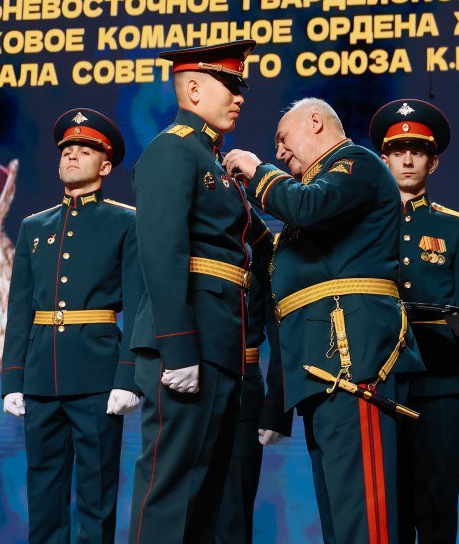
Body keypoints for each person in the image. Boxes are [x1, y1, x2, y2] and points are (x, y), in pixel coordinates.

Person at [225, 97, 423, 544]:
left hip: (356, 364)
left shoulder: (355, 165)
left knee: (364, 517)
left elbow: (305, 206)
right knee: (340, 514)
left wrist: (256, 170)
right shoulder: (317, 194)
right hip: (322, 368)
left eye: (282, 139)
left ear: (315, 121)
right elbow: (283, 265)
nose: (279, 152)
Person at [127, 39, 275, 543]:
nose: (240, 97)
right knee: (170, 491)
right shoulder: (172, 150)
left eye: (241, 87)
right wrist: (177, 346)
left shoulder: (212, 160)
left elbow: (256, 247)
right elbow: (161, 251)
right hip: (189, 343)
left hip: (221, 344)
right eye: (230, 85)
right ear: (192, 89)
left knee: (205, 498)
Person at [1, 108, 144, 544]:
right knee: (43, 490)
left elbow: (138, 304)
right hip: (41, 375)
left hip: (98, 375)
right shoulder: (34, 226)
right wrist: (12, 379)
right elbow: (20, 307)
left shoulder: (126, 221)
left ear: (105, 166)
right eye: (67, 150)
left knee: (96, 494)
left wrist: (128, 377)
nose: (72, 156)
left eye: (84, 150)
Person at [369, 98, 459, 544]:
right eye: (398, 151)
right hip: (379, 380)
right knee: (387, 510)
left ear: (433, 163)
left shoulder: (457, 227)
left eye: (418, 152)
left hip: (439, 383)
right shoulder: (362, 226)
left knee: (436, 510)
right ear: (384, 159)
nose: (408, 160)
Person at [214, 269, 292, 544]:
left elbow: (281, 328)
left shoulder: (260, 255)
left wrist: (277, 401)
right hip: (179, 386)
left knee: (232, 517)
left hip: (242, 386)